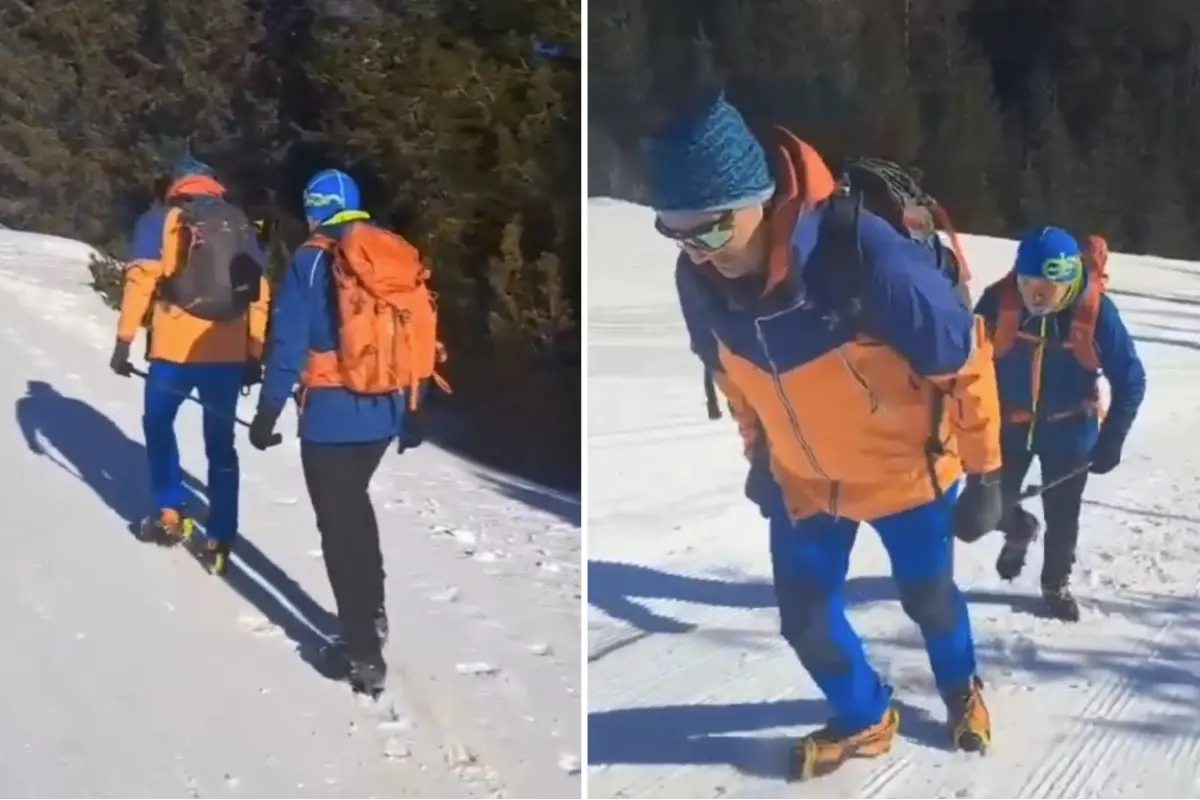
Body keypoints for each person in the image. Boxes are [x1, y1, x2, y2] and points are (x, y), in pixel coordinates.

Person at [643, 91, 1004, 779]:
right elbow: (735, 377)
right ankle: (867, 715)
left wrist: (986, 475)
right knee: (805, 621)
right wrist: (758, 456)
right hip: (806, 483)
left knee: (929, 601)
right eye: (675, 232)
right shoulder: (701, 282)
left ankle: (961, 687)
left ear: (761, 198)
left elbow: (966, 365)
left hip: (907, 479)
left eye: (711, 230)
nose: (696, 251)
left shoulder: (872, 263)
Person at [247, 168, 446, 696]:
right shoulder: (390, 252)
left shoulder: (312, 262)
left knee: (338, 528)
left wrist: (267, 414)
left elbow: (288, 346)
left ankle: (361, 651)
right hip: (385, 413)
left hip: (331, 417)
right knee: (354, 508)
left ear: (314, 207)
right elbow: (418, 330)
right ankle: (372, 615)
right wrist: (415, 405)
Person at [974, 227, 1146, 621]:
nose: (1038, 297)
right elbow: (964, 364)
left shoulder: (1098, 313)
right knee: (987, 506)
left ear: (1070, 282)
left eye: (1050, 288)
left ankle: (1055, 584)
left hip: (1070, 429)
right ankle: (1018, 528)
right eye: (1030, 285)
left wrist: (1112, 438)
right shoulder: (997, 302)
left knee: (1063, 515)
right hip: (1008, 425)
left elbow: (1131, 379)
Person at [109, 154, 270, 574]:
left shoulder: (162, 218)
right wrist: (253, 353)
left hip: (174, 351)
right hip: (228, 353)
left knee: (159, 425)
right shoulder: (239, 222)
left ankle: (169, 514)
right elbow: (259, 291)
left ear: (177, 183)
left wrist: (124, 339)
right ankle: (220, 538)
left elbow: (141, 278)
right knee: (221, 445)